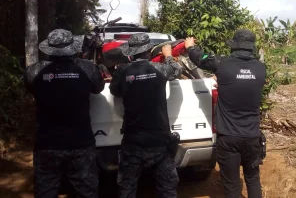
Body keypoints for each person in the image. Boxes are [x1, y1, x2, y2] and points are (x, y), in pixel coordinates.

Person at [185, 29, 266, 198]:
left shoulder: (222, 64)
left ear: (234, 46)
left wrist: (190, 47)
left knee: (231, 185)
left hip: (228, 138)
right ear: (251, 47)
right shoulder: (260, 68)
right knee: (252, 178)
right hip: (252, 136)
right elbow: (241, 81)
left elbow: (200, 58)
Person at [24, 29, 105, 198]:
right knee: (86, 191)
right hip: (80, 144)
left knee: (45, 191)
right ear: (71, 47)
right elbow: (98, 88)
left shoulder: (34, 71)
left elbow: (30, 87)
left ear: (49, 48)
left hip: (47, 144)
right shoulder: (88, 68)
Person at [109, 33, 182, 198]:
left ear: (131, 53)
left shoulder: (122, 71)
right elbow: (177, 71)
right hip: (160, 140)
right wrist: (168, 56)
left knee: (127, 187)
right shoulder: (159, 68)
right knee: (167, 188)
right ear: (149, 50)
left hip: (133, 140)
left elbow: (115, 91)